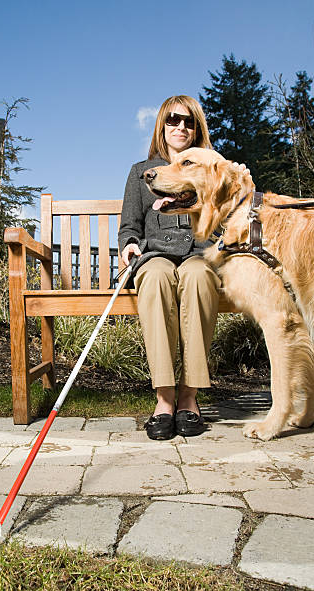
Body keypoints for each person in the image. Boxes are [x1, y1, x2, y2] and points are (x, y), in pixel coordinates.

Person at [118, 94, 222, 440]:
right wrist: (129, 244)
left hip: (198, 253)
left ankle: (189, 398)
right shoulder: (140, 172)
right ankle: (164, 399)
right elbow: (129, 226)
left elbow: (221, 221)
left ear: (197, 128)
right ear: (162, 124)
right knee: (159, 275)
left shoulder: (210, 169)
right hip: (155, 256)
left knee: (196, 275)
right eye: (173, 119)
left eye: (189, 121)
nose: (181, 126)